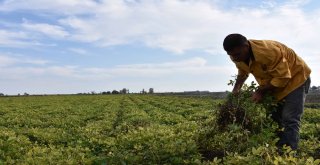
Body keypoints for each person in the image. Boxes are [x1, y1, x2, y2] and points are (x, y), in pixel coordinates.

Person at [223, 33, 311, 151]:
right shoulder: (238, 55)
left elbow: (284, 77)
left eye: (236, 55)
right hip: (274, 83)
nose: (234, 58)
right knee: (274, 117)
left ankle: (289, 154)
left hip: (296, 79)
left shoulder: (268, 52)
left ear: (246, 46)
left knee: (289, 118)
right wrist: (236, 89)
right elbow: (242, 71)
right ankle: (279, 149)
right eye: (231, 55)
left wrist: (260, 91)